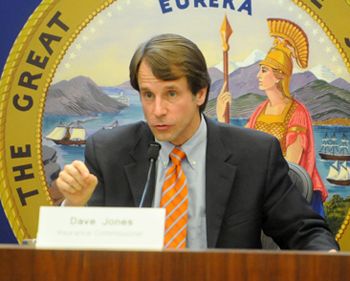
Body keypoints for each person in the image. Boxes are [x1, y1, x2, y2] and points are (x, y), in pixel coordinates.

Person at [56, 33, 338, 251]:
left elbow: (305, 231)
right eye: (148, 95)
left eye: (171, 94)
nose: (157, 110)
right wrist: (75, 206)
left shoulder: (254, 155)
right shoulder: (109, 152)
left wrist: (327, 260)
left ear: (200, 93)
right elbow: (80, 257)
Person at [216, 18, 327, 217]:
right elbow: (242, 149)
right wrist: (222, 120)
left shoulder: (297, 113)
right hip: (262, 191)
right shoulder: (259, 111)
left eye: (264, 70)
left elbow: (292, 167)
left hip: (291, 197)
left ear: (280, 75)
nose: (258, 75)